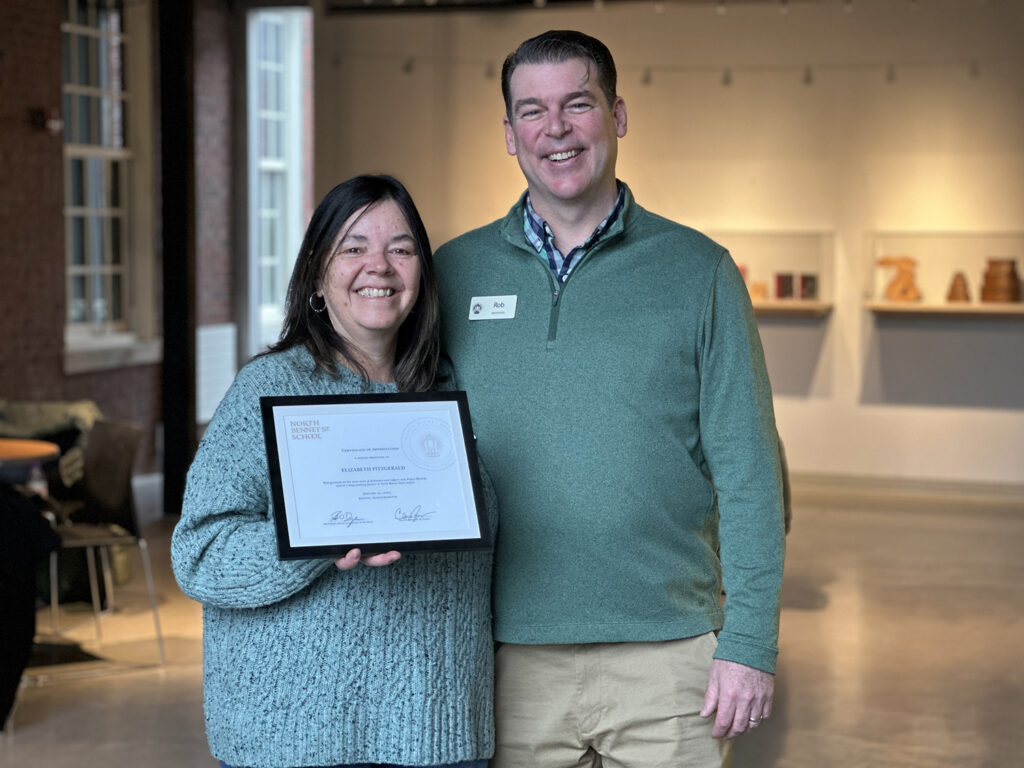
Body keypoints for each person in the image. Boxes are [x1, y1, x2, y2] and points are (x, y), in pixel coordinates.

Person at [434, 30, 786, 768]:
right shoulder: (453, 272)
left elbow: (750, 472)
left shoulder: (699, 272)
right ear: (508, 134)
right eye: (532, 111)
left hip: (668, 657)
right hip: (503, 653)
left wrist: (749, 642)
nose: (555, 130)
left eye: (578, 104)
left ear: (618, 116)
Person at [172, 175, 496, 768]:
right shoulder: (267, 390)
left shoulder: (452, 391)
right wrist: (315, 539)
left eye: (401, 248)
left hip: (437, 732)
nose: (380, 265)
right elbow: (200, 554)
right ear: (319, 271)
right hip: (292, 737)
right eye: (353, 247)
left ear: (422, 273)